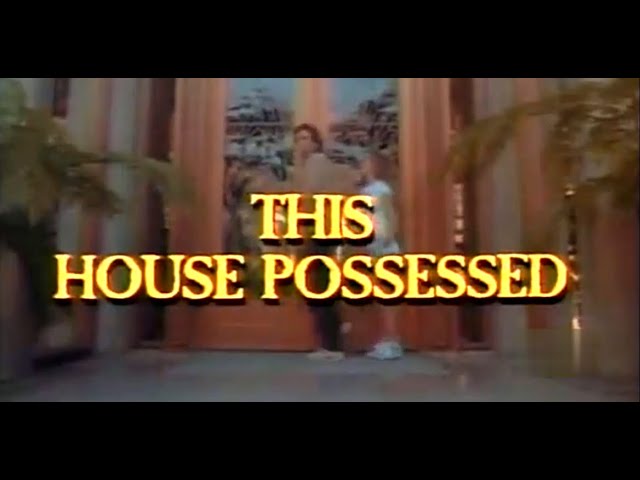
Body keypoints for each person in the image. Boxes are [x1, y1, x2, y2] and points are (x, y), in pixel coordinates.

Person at [292, 123, 359, 361]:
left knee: (320, 287)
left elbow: (311, 193)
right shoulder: (309, 164)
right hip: (320, 229)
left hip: (321, 230)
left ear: (315, 142)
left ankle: (333, 344)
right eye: (298, 139)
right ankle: (333, 337)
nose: (301, 143)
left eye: (306, 138)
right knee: (319, 286)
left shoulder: (316, 162)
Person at [359, 151, 404, 360]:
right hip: (375, 249)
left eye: (366, 163)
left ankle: (392, 343)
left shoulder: (380, 189)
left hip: (384, 250)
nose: (362, 167)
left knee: (387, 300)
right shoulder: (368, 190)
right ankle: (386, 341)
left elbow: (389, 216)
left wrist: (385, 240)